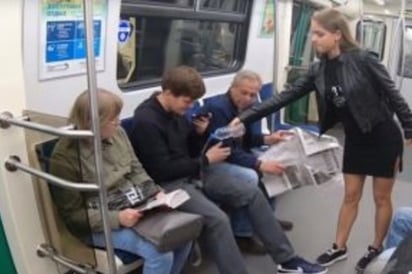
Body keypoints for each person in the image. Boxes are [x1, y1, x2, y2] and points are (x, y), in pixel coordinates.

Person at [231, 8, 412, 273]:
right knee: (351, 195)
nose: (313, 39)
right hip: (356, 140)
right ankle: (339, 247)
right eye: (313, 33)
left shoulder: (364, 60)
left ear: (337, 35)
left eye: (319, 33)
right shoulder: (318, 70)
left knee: (381, 198)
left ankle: (375, 247)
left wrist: (409, 127)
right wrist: (245, 117)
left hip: (383, 136)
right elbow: (285, 96)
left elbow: (393, 94)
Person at [129, 65, 327, 274]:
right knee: (218, 220)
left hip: (194, 172)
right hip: (169, 186)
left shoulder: (176, 111)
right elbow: (162, 171)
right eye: (187, 102)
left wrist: (200, 134)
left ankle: (287, 260)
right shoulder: (146, 122)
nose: (189, 108)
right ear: (168, 93)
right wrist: (205, 160)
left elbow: (190, 149)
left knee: (252, 193)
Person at [49, 89, 191, 274]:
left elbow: (135, 168)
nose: (119, 122)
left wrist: (156, 193)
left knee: (183, 234)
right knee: (159, 252)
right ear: (92, 123)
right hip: (100, 222)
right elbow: (74, 216)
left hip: (134, 205)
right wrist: (117, 219)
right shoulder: (65, 157)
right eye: (112, 119)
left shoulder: (118, 134)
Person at [195, 70, 294, 243]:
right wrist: (258, 164)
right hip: (210, 164)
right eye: (244, 92)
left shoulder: (244, 108)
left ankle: (266, 218)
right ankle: (242, 234)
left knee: (273, 165)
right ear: (232, 88)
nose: (248, 98)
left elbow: (244, 140)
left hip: (232, 155)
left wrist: (267, 139)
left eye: (253, 94)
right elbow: (226, 149)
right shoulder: (219, 109)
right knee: (248, 176)